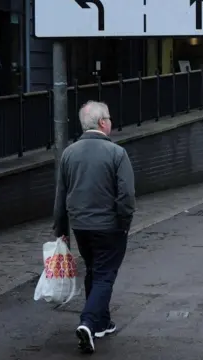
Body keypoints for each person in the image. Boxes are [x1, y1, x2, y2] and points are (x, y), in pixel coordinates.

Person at [53, 100, 136, 354]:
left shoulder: (69, 153)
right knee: (105, 275)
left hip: (80, 226)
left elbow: (61, 194)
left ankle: (102, 322)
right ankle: (88, 323)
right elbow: (127, 195)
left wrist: (61, 229)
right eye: (109, 118)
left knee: (93, 270)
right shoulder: (117, 153)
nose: (111, 121)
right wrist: (124, 223)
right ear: (102, 123)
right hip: (110, 226)